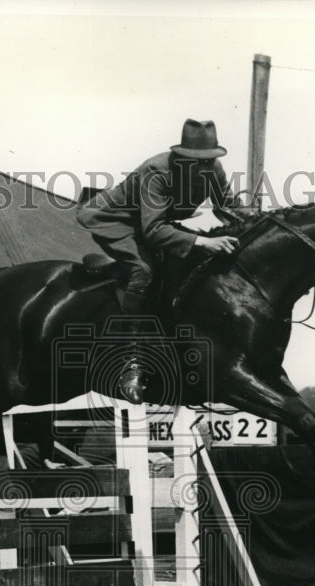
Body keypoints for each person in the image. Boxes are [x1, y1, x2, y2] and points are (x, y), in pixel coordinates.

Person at [77, 118, 242, 402]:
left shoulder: (214, 169)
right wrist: (203, 241)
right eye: (195, 160)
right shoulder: (157, 170)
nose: (202, 167)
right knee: (143, 271)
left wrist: (260, 222)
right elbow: (152, 230)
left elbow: (230, 206)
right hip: (116, 222)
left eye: (208, 160)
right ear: (181, 156)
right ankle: (129, 362)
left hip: (155, 224)